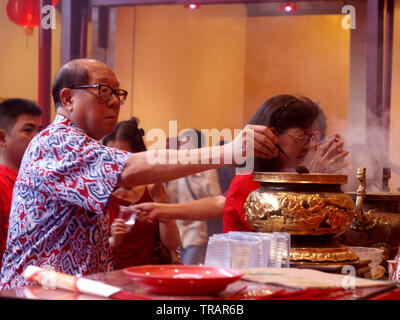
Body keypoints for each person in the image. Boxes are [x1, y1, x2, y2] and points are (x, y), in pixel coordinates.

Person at [0, 58, 277, 290]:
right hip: (36, 291)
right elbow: (129, 168)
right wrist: (228, 151)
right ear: (68, 98)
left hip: (67, 289)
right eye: (104, 91)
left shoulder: (84, 146)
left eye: (118, 94)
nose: (114, 102)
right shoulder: (56, 141)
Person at [223, 94, 322, 232]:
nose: (308, 146)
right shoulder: (247, 183)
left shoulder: (287, 177)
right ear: (272, 135)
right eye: (302, 137)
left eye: (311, 138)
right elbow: (290, 232)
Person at [103, 117, 181, 268]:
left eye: (123, 160)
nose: (117, 167)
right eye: (110, 159)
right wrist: (113, 241)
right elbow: (85, 250)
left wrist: (160, 201)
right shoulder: (99, 193)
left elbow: (172, 242)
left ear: (139, 158)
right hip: (111, 280)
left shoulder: (152, 190)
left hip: (148, 278)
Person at [165, 129, 222, 265]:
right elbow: (172, 199)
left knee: (190, 270)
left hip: (197, 232)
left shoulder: (208, 170)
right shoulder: (176, 170)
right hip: (179, 233)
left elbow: (215, 199)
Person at [0, 98, 43, 269]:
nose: (38, 138)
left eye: (40, 131)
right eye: (28, 130)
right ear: (2, 138)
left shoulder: (38, 182)